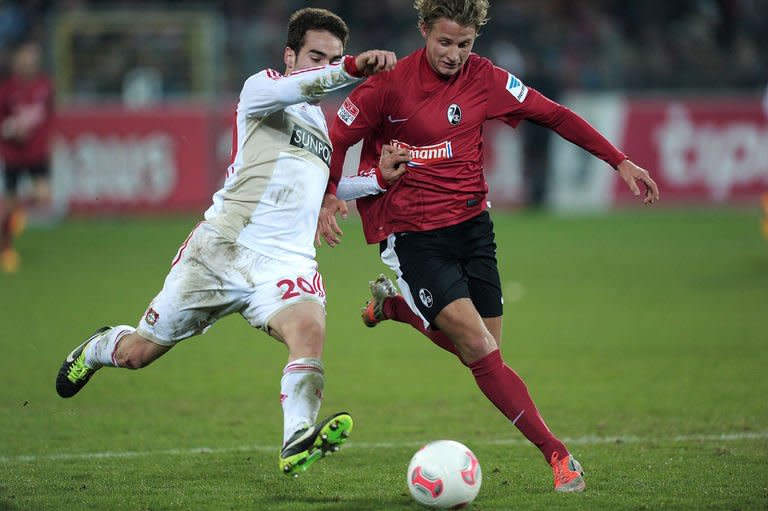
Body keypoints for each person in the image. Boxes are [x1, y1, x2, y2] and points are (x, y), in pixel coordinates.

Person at [319, 0, 660, 493]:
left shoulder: (487, 79)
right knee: (478, 346)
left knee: (485, 350)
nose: (454, 54)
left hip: (473, 226)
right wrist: (330, 193)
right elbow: (336, 135)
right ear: (423, 31)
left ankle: (396, 309)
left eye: (464, 44)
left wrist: (619, 161)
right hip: (413, 235)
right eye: (444, 42)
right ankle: (558, 456)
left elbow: (555, 114)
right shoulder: (388, 85)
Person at [55, 7, 397, 477]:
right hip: (222, 250)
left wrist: (371, 181)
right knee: (140, 353)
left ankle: (296, 439)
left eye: (333, 58)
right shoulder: (263, 89)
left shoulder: (322, 126)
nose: (325, 67)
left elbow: (321, 186)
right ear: (290, 55)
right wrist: (353, 67)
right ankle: (97, 348)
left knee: (309, 331)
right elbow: (306, 85)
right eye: (316, 56)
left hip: (285, 261)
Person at [0, 40, 54, 273]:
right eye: (25, 57)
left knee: (43, 197)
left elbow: (49, 115)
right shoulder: (7, 89)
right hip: (13, 153)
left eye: (32, 57)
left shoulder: (45, 86)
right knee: (7, 206)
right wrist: (10, 128)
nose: (28, 62)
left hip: (36, 152)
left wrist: (51, 138)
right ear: (16, 61)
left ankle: (17, 211)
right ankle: (6, 249)